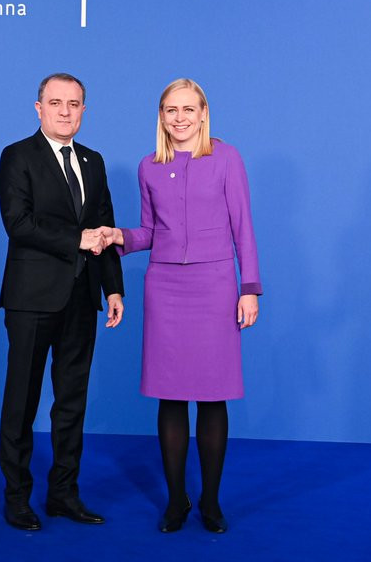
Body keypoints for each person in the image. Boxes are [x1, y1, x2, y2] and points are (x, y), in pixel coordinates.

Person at [104, 78, 261, 534]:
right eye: (171, 110)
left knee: (213, 395)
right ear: (161, 116)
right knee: (170, 395)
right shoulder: (149, 166)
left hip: (215, 286)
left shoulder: (227, 157)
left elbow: (243, 226)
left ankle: (210, 501)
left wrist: (249, 287)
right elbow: (150, 232)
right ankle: (176, 500)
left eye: (188, 109)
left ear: (203, 113)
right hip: (166, 287)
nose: (180, 118)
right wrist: (118, 237)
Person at [0, 73, 125, 531]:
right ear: (39, 108)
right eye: (56, 103)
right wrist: (77, 239)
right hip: (31, 298)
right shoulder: (18, 156)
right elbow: (18, 223)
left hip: (81, 298)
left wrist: (113, 289)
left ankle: (64, 494)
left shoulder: (93, 161)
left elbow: (105, 227)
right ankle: (17, 497)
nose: (65, 111)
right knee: (22, 401)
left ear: (84, 110)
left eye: (74, 104)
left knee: (71, 402)